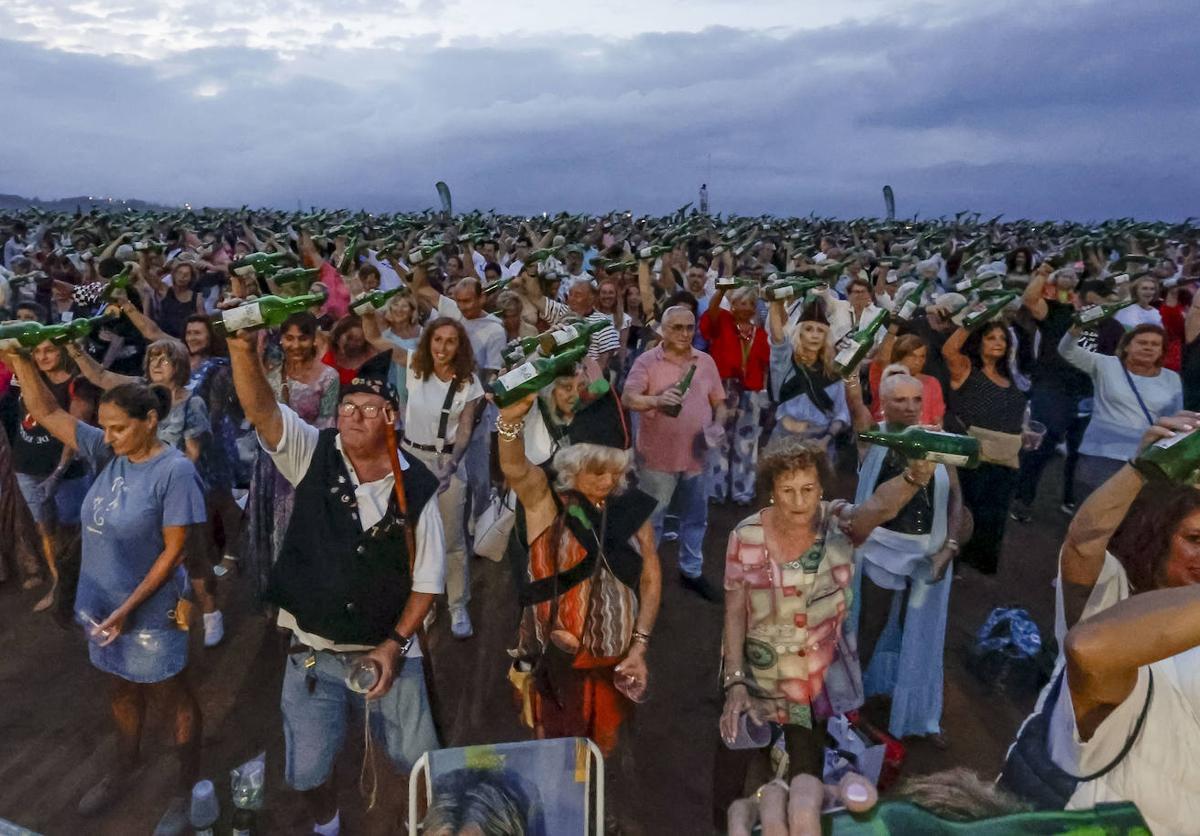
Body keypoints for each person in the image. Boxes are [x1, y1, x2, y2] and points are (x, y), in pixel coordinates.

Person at [227, 318, 445, 836]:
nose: (353, 415)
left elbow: (428, 582)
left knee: (419, 759)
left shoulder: (418, 487)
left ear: (391, 418)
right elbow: (262, 411)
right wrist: (241, 347)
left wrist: (394, 646)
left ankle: (420, 823)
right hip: (311, 655)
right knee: (305, 771)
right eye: (348, 406)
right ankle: (327, 825)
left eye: (369, 409)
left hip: (388, 651)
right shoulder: (313, 452)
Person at [4, 354, 206, 832]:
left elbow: (174, 553)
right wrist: (17, 355)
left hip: (151, 611)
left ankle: (185, 790)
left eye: (119, 428)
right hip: (102, 607)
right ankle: (125, 765)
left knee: (171, 694)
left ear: (150, 421)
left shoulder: (173, 472)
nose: (108, 437)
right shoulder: (105, 451)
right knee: (119, 686)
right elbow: (49, 413)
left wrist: (127, 609)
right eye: (104, 427)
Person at [719, 438, 938, 780]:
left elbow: (877, 508)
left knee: (805, 773)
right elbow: (734, 612)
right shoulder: (746, 536)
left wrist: (913, 477)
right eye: (787, 490)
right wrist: (734, 683)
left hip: (814, 683)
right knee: (735, 773)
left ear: (821, 487)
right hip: (757, 676)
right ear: (771, 491)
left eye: (808, 489)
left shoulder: (838, 523)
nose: (798, 501)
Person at [1023, 412, 1200, 834]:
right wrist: (1139, 470)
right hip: (1090, 813)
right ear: (1159, 537)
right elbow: (1083, 542)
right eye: (1195, 540)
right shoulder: (1113, 596)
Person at [497, 390, 661, 757]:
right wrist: (509, 423)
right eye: (597, 470)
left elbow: (650, 572)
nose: (607, 481)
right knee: (558, 750)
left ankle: (593, 804)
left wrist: (640, 644)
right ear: (574, 464)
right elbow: (513, 467)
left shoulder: (629, 504)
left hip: (614, 657)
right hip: (557, 658)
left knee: (604, 745)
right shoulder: (545, 499)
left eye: (615, 471)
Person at [69, 337, 226, 647]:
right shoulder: (138, 394)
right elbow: (100, 376)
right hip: (137, 490)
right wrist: (75, 348)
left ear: (180, 365)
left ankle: (210, 612)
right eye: (153, 357)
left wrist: (168, 477)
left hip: (177, 489)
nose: (157, 363)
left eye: (165, 358)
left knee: (193, 557)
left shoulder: (191, 402)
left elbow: (193, 451)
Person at [847, 369, 965, 742]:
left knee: (924, 635)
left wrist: (949, 550)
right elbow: (854, 408)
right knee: (870, 626)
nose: (911, 407)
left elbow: (958, 500)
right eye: (900, 400)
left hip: (929, 554)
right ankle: (848, 703)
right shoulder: (872, 438)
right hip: (881, 550)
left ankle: (920, 714)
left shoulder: (938, 441)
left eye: (916, 399)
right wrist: (851, 378)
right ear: (884, 404)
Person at [623, 305, 725, 601]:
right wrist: (656, 400)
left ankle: (691, 571)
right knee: (651, 518)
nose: (684, 333)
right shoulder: (647, 361)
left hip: (697, 457)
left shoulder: (705, 362)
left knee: (696, 517)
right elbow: (629, 398)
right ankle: (642, 574)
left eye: (689, 327)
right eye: (676, 327)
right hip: (658, 459)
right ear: (664, 330)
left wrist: (718, 426)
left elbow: (720, 403)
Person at [243, 312, 340, 599]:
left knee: (300, 531)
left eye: (303, 338)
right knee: (271, 533)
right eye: (289, 338)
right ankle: (279, 597)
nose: (295, 345)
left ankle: (305, 598)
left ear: (314, 340)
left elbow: (328, 425)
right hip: (268, 465)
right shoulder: (270, 371)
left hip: (305, 462)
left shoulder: (327, 377)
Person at [398, 317, 483, 639]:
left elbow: (465, 427)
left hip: (447, 459)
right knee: (416, 539)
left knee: (451, 539)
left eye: (450, 341)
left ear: (459, 346)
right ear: (428, 341)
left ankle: (457, 604)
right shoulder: (414, 367)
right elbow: (373, 337)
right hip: (411, 458)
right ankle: (425, 604)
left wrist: (452, 463)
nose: (442, 347)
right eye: (437, 340)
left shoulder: (468, 383)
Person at [2, 339, 97, 611]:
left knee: (75, 531)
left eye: (50, 350)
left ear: (62, 351)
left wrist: (58, 472)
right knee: (45, 530)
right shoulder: (27, 376)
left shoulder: (78, 384)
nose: (43, 356)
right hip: (28, 469)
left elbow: (75, 434)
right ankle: (60, 587)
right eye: (37, 351)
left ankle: (84, 587)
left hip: (67, 473)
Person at [1057, 322, 1182, 498]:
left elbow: (1174, 421)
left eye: (1155, 344)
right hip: (1100, 455)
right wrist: (1077, 327)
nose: (1148, 347)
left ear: (1162, 351)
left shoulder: (1172, 378)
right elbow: (1066, 351)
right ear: (1127, 346)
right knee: (1091, 513)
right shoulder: (1105, 365)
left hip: (1143, 459)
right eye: (1142, 342)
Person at [1010, 265, 1093, 520]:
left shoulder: (1107, 321)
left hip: (1088, 390)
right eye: (1063, 275)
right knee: (1041, 445)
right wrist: (1044, 272)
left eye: (1073, 275)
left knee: (1080, 451)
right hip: (1053, 387)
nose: (1069, 278)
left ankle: (1073, 500)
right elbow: (1029, 299)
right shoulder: (1057, 310)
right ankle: (1022, 498)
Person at [943, 321, 1027, 575]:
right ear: (979, 342)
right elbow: (949, 350)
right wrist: (972, 320)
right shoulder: (967, 369)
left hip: (1007, 458)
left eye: (1003, 338)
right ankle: (951, 563)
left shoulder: (1010, 378)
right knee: (964, 510)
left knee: (993, 516)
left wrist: (1027, 434)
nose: (998, 342)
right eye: (991, 338)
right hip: (973, 455)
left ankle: (976, 568)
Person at [701, 283, 771, 506]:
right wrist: (721, 291)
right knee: (718, 438)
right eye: (740, 302)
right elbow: (711, 312)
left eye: (750, 303)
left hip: (750, 392)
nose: (745, 307)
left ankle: (743, 491)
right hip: (722, 388)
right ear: (731, 305)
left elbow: (765, 366)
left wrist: (764, 391)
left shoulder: (760, 334)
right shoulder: (722, 323)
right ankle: (715, 489)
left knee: (747, 444)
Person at [766, 297, 850, 456]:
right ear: (800, 333)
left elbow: (841, 415)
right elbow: (777, 339)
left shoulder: (832, 373)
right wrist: (775, 302)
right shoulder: (786, 363)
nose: (815, 335)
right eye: (809, 329)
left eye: (820, 331)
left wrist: (825, 440)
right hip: (783, 440)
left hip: (819, 443)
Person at [868, 332, 945, 426]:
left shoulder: (932, 383)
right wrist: (893, 327)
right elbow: (883, 358)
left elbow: (937, 420)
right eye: (912, 356)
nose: (918, 362)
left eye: (922, 356)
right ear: (900, 356)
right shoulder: (886, 375)